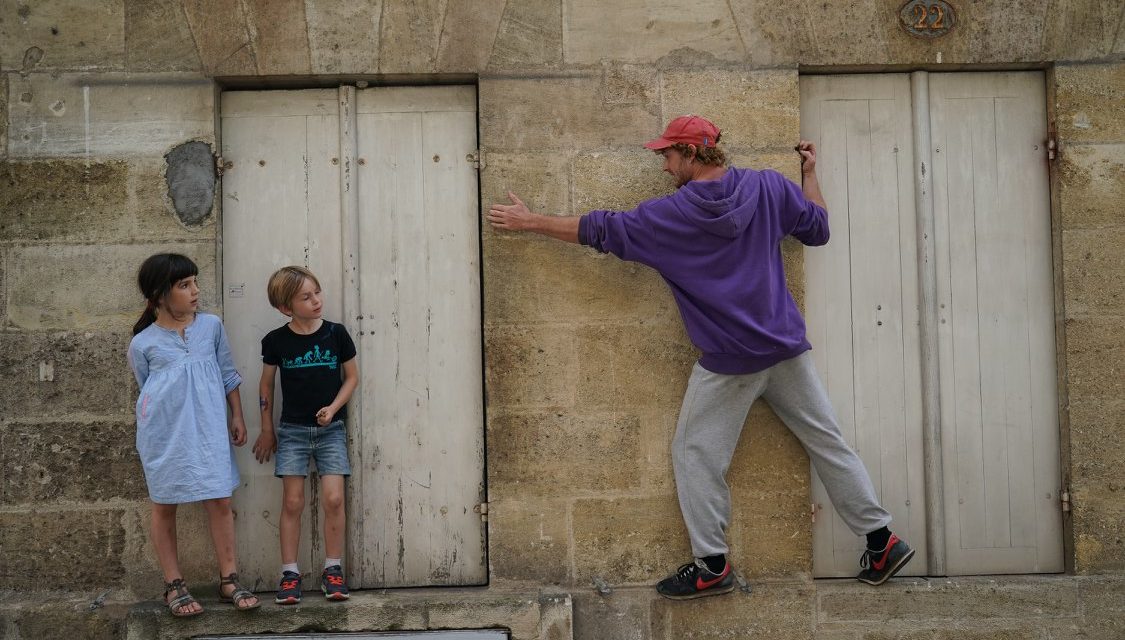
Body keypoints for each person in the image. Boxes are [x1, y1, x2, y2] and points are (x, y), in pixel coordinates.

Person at [487, 115, 914, 599]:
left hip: (729, 361)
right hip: (787, 349)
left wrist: (531, 222)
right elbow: (818, 229)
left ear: (692, 153)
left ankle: (712, 566)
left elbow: (598, 230)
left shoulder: (666, 218)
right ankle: (882, 541)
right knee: (828, 443)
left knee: (695, 456)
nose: (663, 165)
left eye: (667, 154)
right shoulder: (769, 188)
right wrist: (809, 174)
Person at [127, 253, 261, 616]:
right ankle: (174, 584)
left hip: (208, 428)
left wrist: (237, 416)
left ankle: (229, 578)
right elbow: (148, 389)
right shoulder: (143, 344)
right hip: (165, 434)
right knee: (164, 503)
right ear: (159, 294)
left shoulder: (211, 326)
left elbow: (227, 373)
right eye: (185, 285)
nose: (195, 291)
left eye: (195, 283)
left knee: (219, 498)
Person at [252, 266, 358, 604]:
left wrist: (333, 407)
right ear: (286, 308)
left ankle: (333, 570)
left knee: (334, 499)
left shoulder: (336, 334)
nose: (316, 301)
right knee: (293, 502)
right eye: (306, 297)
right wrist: (267, 429)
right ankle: (290, 574)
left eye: (317, 292)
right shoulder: (276, 341)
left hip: (331, 431)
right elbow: (266, 385)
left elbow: (352, 378)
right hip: (293, 432)